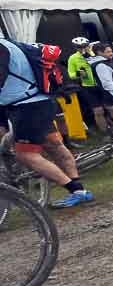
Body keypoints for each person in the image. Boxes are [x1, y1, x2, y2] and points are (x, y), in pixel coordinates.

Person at [0, 34, 91, 208]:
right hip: (41, 100)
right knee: (55, 146)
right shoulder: (11, 44)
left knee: (25, 154)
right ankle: (79, 190)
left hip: (26, 107)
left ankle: (75, 190)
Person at [66, 37, 109, 132]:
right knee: (98, 111)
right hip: (88, 87)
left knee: (111, 108)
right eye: (79, 47)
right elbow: (71, 74)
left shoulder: (94, 54)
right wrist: (78, 74)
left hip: (102, 84)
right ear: (75, 48)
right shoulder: (73, 58)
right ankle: (106, 132)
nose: (82, 49)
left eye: (84, 46)